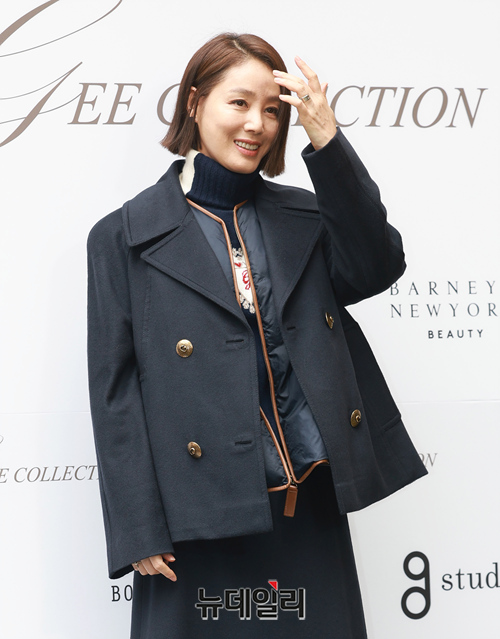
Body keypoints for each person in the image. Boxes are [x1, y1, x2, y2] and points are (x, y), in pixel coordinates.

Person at [87, 32, 427, 638]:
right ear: (195, 103)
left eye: (272, 110)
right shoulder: (124, 236)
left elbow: (376, 266)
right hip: (198, 517)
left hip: (307, 508)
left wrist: (328, 142)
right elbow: (115, 394)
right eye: (239, 103)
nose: (257, 124)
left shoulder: (305, 216)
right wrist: (138, 528)